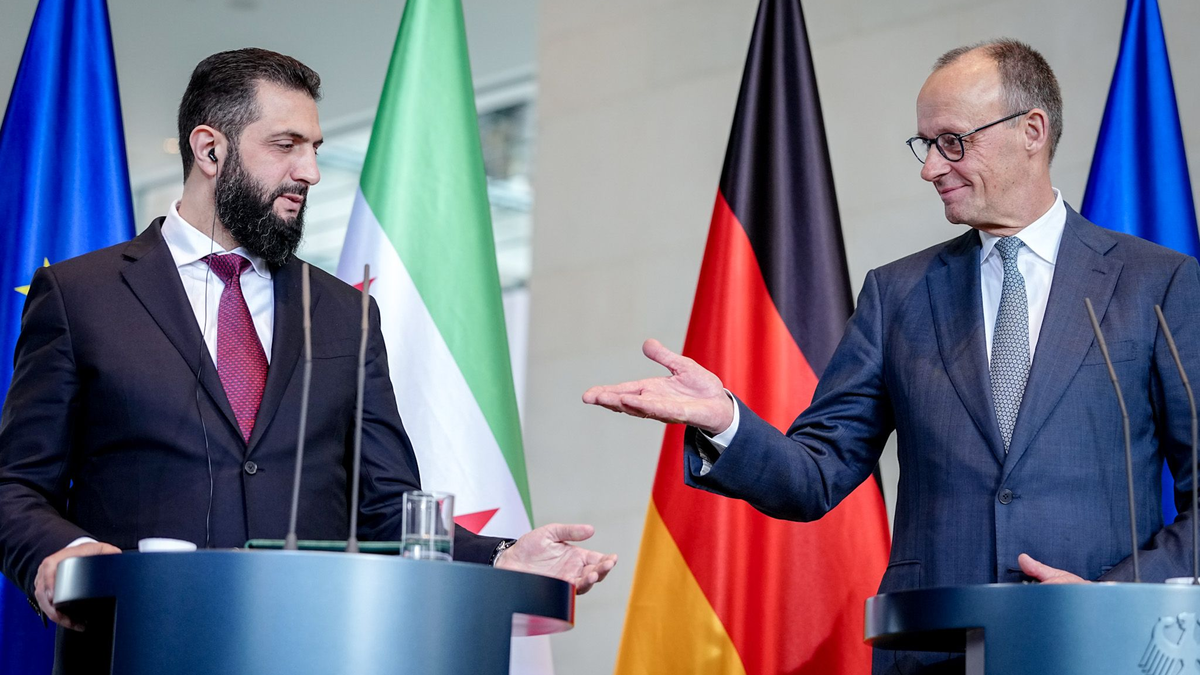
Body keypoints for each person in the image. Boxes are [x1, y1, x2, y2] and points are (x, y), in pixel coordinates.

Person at [585, 39, 1198, 674]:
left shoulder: (1156, 283)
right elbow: (818, 471)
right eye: (925, 145)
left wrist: (1114, 598)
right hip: (933, 649)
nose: (931, 167)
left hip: (1102, 646)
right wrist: (725, 422)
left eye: (952, 141)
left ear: (1031, 131)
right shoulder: (897, 294)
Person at [0, 48, 615, 669]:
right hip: (135, 645)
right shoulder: (82, 296)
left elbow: (382, 504)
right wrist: (64, 552)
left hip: (311, 649)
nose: (312, 171)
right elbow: (15, 484)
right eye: (287, 145)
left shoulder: (346, 313)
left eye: (316, 147)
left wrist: (499, 557)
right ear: (210, 150)